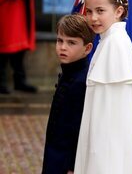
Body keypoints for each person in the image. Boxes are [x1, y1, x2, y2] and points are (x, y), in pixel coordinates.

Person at [74, 0, 132, 174]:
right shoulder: (107, 41)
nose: (93, 17)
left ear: (118, 11)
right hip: (101, 131)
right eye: (89, 11)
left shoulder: (116, 43)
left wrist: (97, 147)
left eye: (100, 11)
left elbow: (111, 108)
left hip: (106, 136)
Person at [41, 14, 95, 174]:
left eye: (71, 42)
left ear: (87, 48)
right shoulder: (68, 72)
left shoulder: (82, 81)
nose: (63, 47)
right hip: (54, 154)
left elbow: (78, 128)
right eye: (60, 40)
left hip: (65, 162)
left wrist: (72, 166)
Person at [0, 0, 37, 94]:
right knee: (4, 45)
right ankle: (2, 82)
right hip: (6, 6)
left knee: (19, 46)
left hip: (20, 5)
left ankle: (19, 80)